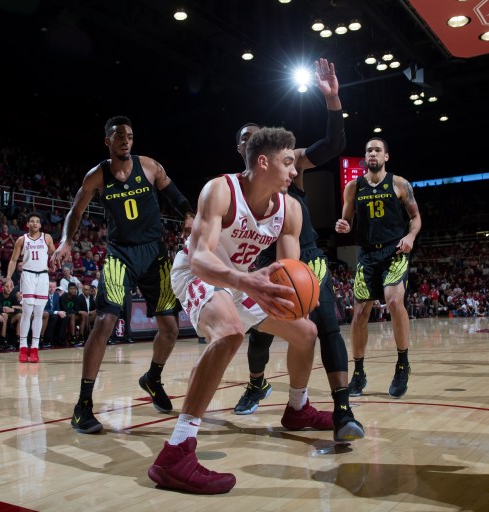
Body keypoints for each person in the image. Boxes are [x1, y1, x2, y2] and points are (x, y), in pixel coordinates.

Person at [148, 126, 329, 495]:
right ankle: (176, 452)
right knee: (229, 332)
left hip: (241, 278)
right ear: (263, 162)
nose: (295, 171)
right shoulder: (220, 190)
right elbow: (200, 257)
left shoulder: (290, 209)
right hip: (198, 271)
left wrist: (296, 297)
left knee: (305, 332)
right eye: (288, 162)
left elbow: (288, 272)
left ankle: (298, 409)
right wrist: (246, 283)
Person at [229, 59, 363, 440]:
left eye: (258, 135)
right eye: (245, 137)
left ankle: (342, 410)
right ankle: (257, 384)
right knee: (260, 336)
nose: (252, 141)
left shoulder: (292, 164)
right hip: (265, 265)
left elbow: (334, 144)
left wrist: (332, 100)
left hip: (307, 259)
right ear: (241, 148)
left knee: (326, 326)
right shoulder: (233, 187)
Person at [51, 115, 194, 433]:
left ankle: (153, 378)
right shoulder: (97, 176)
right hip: (120, 256)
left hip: (155, 254)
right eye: (118, 135)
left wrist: (188, 215)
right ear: (107, 141)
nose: (125, 140)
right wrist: (66, 241)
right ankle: (83, 405)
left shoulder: (151, 167)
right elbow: (76, 211)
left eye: (129, 135)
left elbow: (178, 198)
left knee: (170, 328)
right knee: (104, 321)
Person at [335, 137, 422, 398]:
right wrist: (344, 226)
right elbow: (346, 220)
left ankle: (403, 363)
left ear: (386, 157)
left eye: (377, 150)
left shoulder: (399, 184)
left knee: (394, 301)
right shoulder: (353, 187)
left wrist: (410, 237)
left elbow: (416, 217)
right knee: (360, 312)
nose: (372, 153)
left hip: (394, 252)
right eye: (368, 150)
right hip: (367, 256)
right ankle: (359, 373)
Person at [6, 212, 55, 363]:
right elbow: (14, 260)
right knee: (27, 312)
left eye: (37, 221)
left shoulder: (47, 238)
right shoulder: (22, 239)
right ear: (27, 224)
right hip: (27, 275)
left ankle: (34, 348)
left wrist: (54, 261)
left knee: (39, 313)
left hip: (43, 276)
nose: (35, 223)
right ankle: (22, 348)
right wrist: (8, 277)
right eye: (32, 221)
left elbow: (54, 254)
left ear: (40, 225)